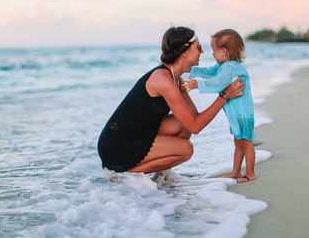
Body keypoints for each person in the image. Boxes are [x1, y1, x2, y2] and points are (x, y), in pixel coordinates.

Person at [97, 26, 245, 176]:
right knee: (186, 150)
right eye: (198, 47)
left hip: (140, 133)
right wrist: (224, 96)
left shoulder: (175, 78)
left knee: (183, 123)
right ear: (185, 51)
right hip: (117, 145)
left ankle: (161, 174)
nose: (202, 51)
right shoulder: (163, 80)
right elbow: (196, 126)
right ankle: (122, 174)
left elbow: (192, 119)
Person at [182, 29, 256, 183]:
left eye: (214, 51)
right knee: (238, 142)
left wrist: (198, 84)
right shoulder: (228, 66)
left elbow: (218, 82)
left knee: (246, 143)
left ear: (223, 51)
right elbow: (211, 72)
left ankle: (250, 173)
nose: (212, 54)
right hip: (238, 114)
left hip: (242, 114)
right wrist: (193, 69)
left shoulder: (230, 68)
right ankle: (236, 171)